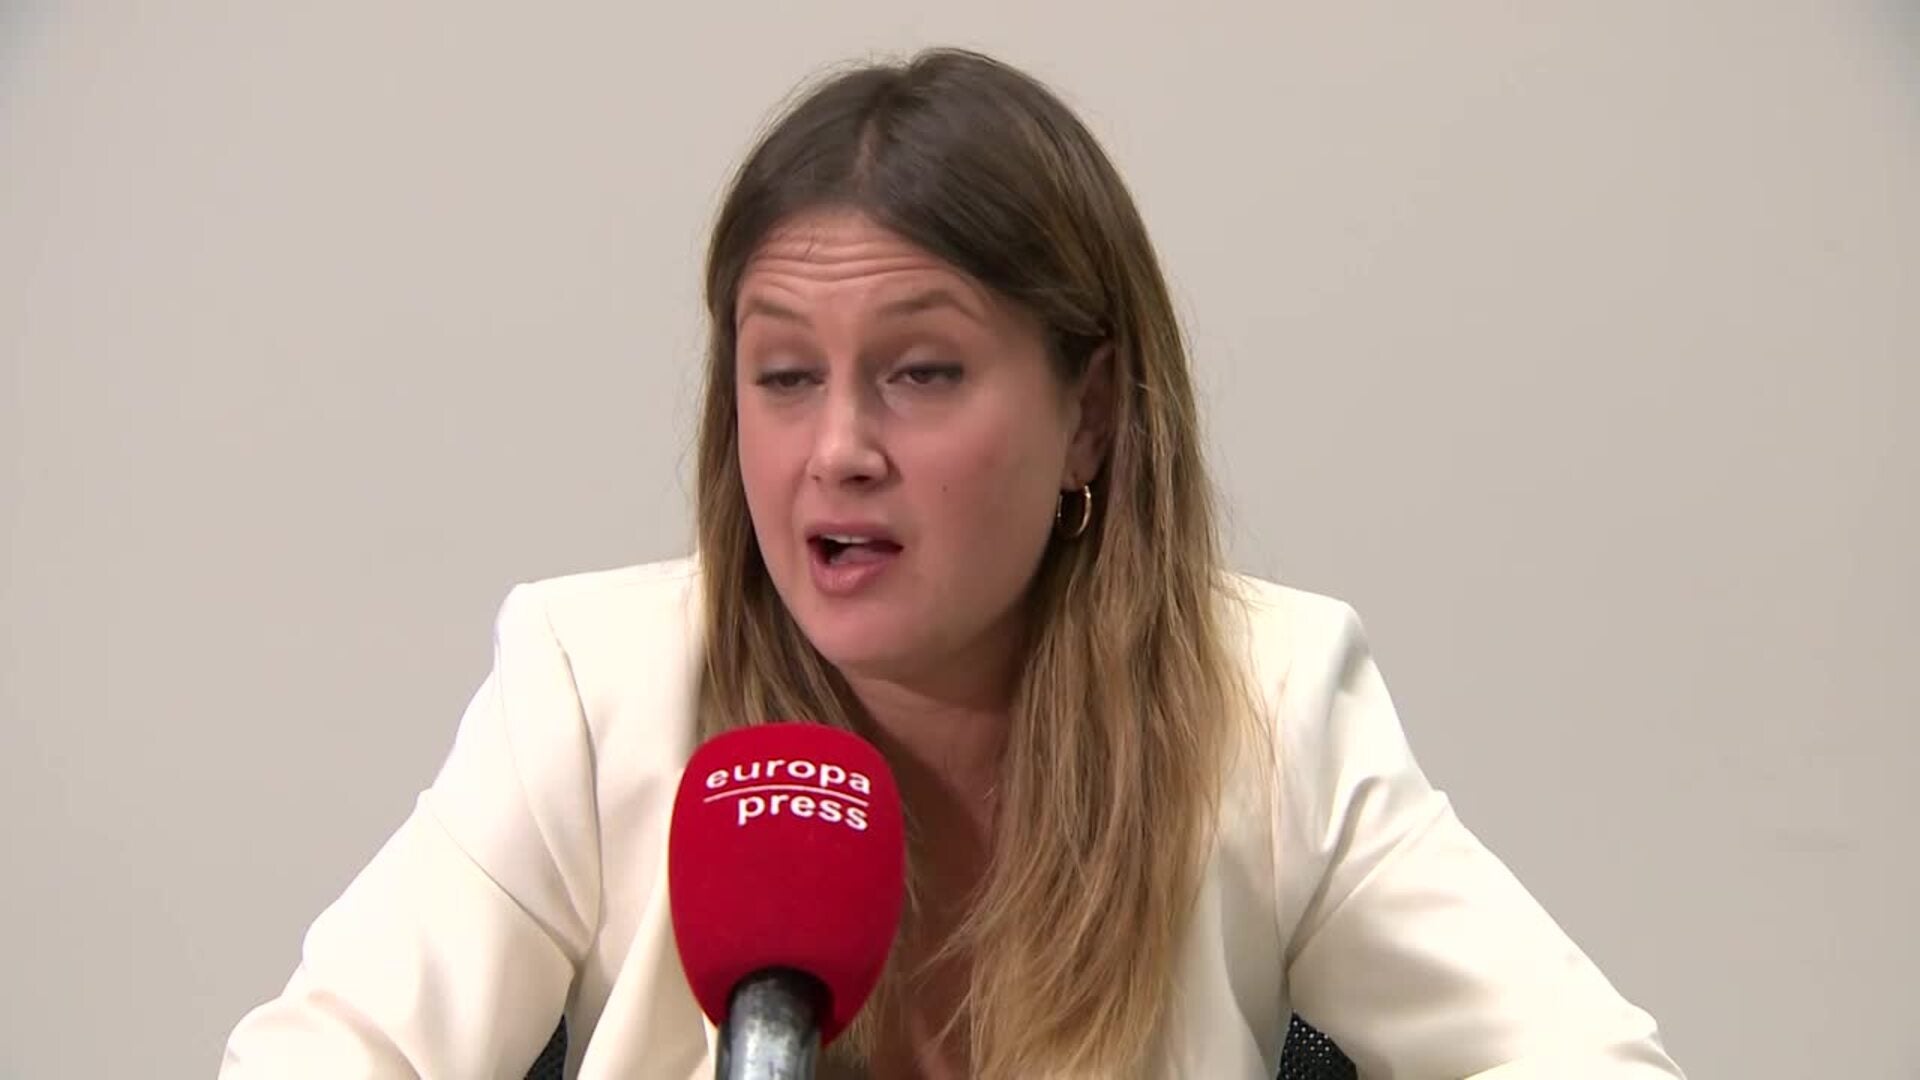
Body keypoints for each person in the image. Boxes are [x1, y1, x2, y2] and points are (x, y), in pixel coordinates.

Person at [221, 48, 1685, 1079]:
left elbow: (1592, 1062)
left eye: (920, 373)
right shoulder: (594, 690)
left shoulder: (1271, 705)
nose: (837, 450)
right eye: (784, 376)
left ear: (1089, 413)